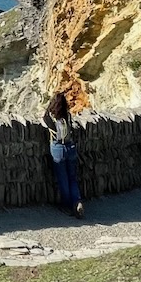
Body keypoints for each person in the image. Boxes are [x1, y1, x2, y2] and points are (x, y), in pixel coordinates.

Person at [44, 91, 83, 219]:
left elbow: (44, 117)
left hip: (58, 148)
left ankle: (67, 206)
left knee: (63, 179)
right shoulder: (67, 115)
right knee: (72, 177)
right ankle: (77, 201)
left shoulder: (51, 116)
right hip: (70, 147)